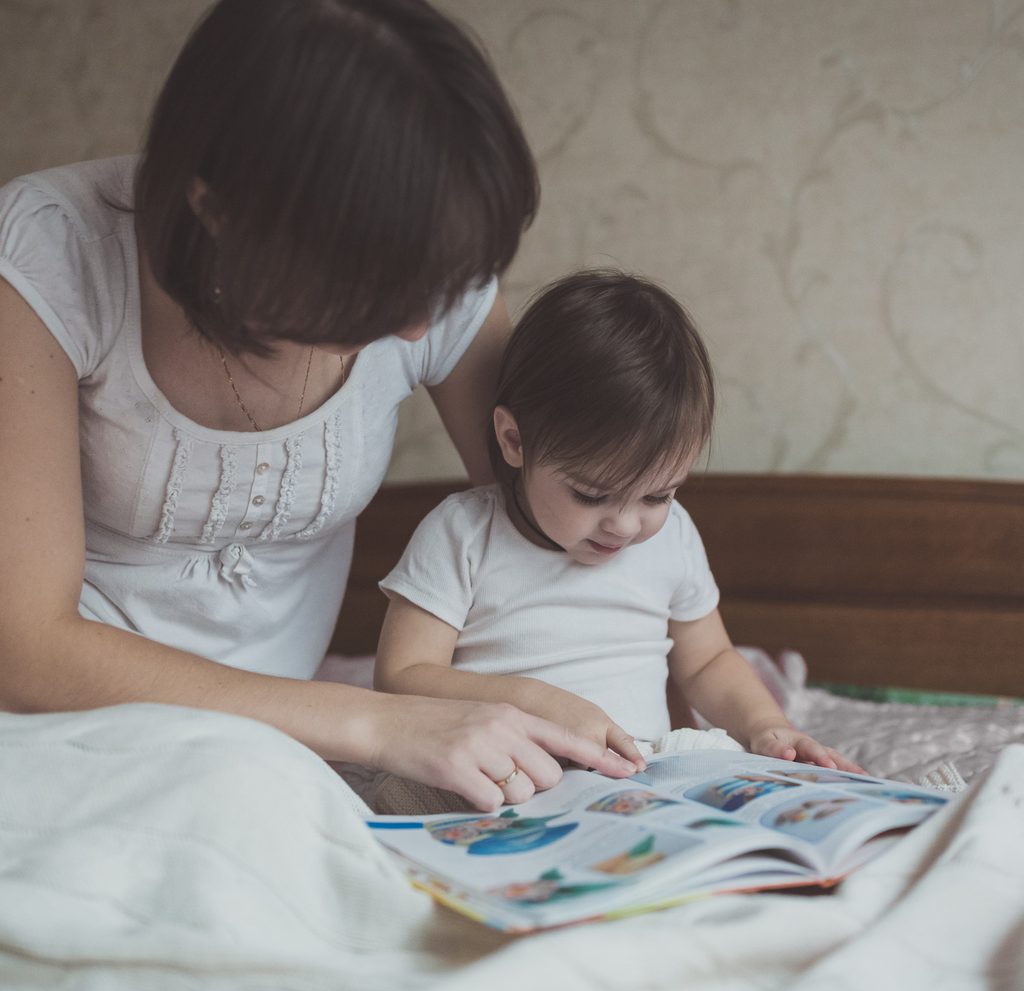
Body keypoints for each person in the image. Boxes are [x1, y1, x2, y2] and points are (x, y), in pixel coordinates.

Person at [0, 0, 640, 815]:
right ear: (220, 210)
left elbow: (543, 528)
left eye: (438, 288)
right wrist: (375, 724)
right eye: (376, 293)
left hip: (285, 754)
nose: (418, 325)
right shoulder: (47, 260)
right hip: (53, 725)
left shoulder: (427, 270)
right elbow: (24, 648)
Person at [374, 269, 862, 809]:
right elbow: (402, 677)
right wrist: (531, 701)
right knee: (403, 802)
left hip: (636, 778)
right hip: (497, 774)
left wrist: (767, 726)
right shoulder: (464, 532)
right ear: (514, 440)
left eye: (657, 497)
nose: (626, 527)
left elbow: (707, 662)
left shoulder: (672, 537)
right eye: (591, 495)